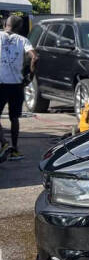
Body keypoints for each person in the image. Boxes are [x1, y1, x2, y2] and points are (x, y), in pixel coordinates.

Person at [0, 15, 38, 162]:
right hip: (16, 84)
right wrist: (30, 77)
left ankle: (4, 142)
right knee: (14, 118)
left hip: (1, 84)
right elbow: (35, 57)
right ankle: (15, 150)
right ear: (19, 28)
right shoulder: (23, 40)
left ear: (5, 25)